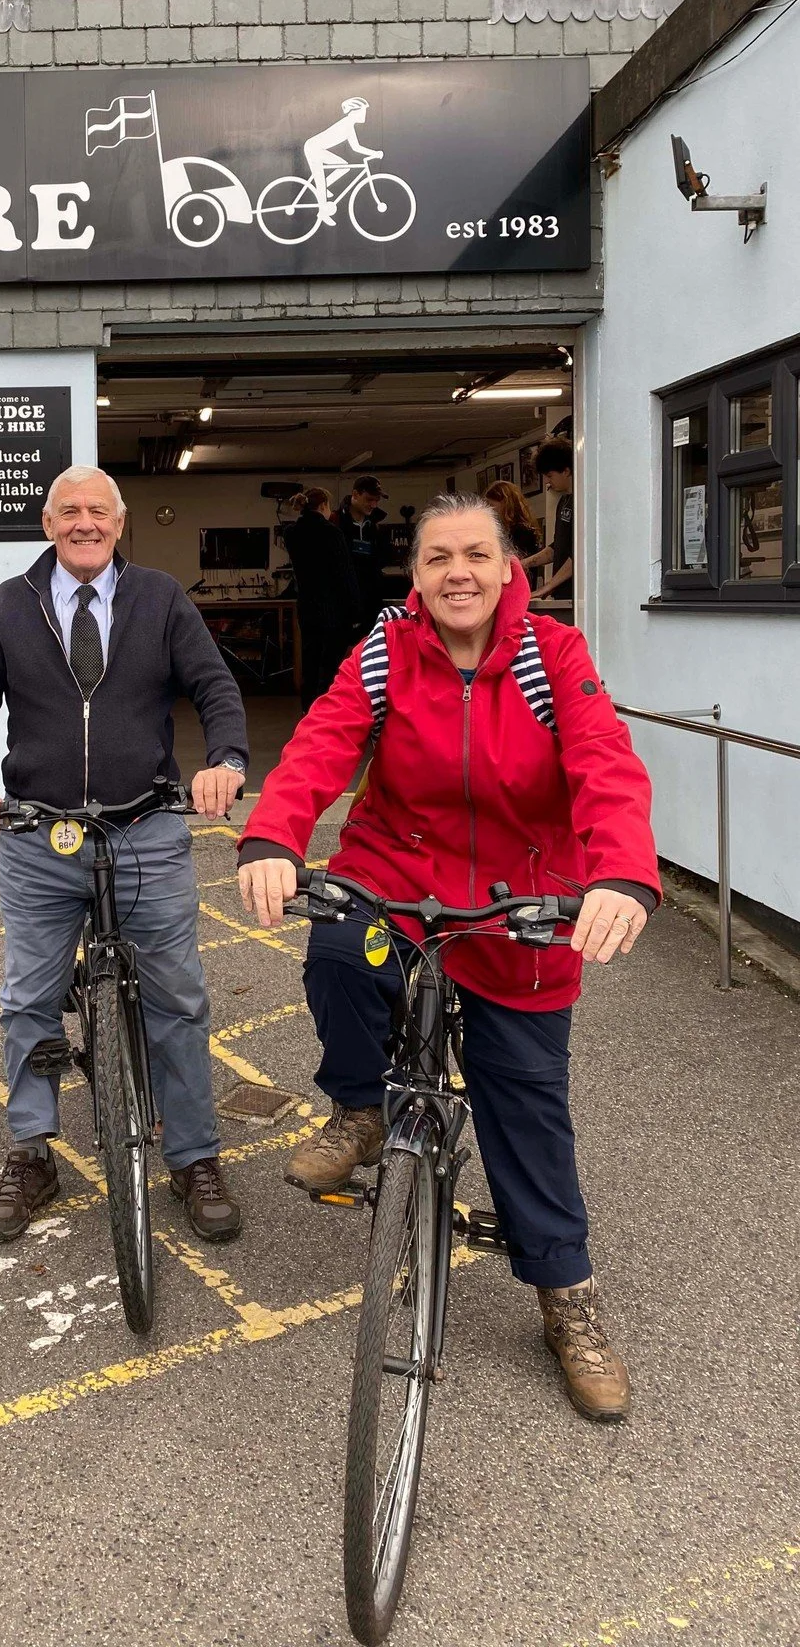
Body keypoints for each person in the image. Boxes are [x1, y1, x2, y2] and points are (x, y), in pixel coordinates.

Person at [235, 494, 660, 1423]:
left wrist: (623, 874)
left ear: (509, 568)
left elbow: (605, 762)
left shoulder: (554, 655)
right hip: (397, 874)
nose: (457, 572)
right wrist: (272, 837)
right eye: (437, 558)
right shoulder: (385, 651)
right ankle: (361, 1108)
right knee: (339, 948)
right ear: (417, 575)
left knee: (526, 1104)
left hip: (521, 901)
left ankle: (566, 1295)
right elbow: (321, 745)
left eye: (476, 554)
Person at [0, 466, 249, 1246]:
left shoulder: (160, 598)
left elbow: (214, 687)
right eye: (69, 511)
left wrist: (226, 760)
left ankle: (193, 1155)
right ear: (48, 524)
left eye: (98, 511)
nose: (85, 523)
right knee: (28, 999)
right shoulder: (11, 605)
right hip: (39, 834)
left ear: (119, 522)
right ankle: (32, 1151)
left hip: (143, 825)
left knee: (177, 996)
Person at [281, 486, 361, 710]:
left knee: (310, 660)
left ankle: (308, 709)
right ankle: (326, 709)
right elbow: (345, 573)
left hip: (307, 607)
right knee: (331, 665)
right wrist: (355, 610)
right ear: (324, 504)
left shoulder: (291, 533)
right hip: (333, 609)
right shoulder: (332, 533)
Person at [302, 96, 383, 225]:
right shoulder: (346, 125)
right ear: (354, 111)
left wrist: (374, 153)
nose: (365, 114)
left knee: (344, 166)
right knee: (320, 182)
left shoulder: (349, 124)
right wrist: (375, 153)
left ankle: (323, 187)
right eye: (363, 111)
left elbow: (356, 147)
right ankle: (322, 213)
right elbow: (356, 148)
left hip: (316, 148)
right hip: (313, 148)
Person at [332, 475, 388, 629]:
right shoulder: (335, 523)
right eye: (369, 499)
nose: (374, 505)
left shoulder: (375, 526)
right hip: (343, 605)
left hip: (372, 603)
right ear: (355, 494)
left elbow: (382, 559)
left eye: (377, 500)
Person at [521, 440, 574, 599]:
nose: (546, 481)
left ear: (566, 471)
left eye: (550, 475)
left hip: (577, 595)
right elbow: (557, 547)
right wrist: (524, 563)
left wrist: (548, 586)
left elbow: (580, 555)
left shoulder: (584, 504)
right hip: (562, 594)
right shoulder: (564, 501)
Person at [485, 479, 542, 561]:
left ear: (505, 504)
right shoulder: (504, 528)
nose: (489, 509)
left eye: (491, 505)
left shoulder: (522, 531)